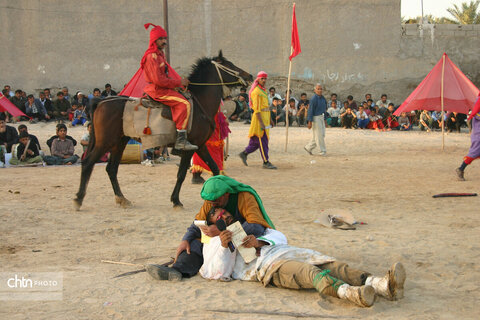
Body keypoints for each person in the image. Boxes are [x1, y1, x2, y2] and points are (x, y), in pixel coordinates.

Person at [200, 207, 406, 308]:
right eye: (218, 217)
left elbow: (280, 236)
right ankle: (351, 293)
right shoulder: (214, 243)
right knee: (311, 273)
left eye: (225, 213)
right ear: (212, 225)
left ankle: (380, 284)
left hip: (286, 252)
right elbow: (218, 273)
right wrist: (225, 245)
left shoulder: (253, 229)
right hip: (270, 266)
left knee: (333, 265)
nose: (224, 217)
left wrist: (259, 242)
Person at [146, 175, 275, 281]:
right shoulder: (211, 200)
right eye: (211, 202)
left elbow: (256, 226)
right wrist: (185, 240)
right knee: (194, 243)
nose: (213, 204)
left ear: (227, 194)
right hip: (219, 242)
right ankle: (177, 270)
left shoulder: (245, 197)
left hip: (244, 242)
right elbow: (198, 224)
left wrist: (223, 231)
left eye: (217, 201)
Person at [141, 23, 196, 151]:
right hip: (157, 90)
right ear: (154, 40)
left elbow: (164, 76)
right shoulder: (151, 56)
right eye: (161, 39)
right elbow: (159, 80)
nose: (164, 41)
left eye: (165, 38)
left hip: (163, 88)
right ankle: (181, 141)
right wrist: (178, 82)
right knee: (184, 104)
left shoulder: (160, 54)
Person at [238, 71, 277, 169]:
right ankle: (266, 161)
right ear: (258, 79)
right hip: (259, 121)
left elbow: (266, 107)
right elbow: (257, 110)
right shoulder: (256, 92)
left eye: (265, 79)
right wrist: (262, 123)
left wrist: (270, 120)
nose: (264, 80)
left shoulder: (263, 91)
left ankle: (244, 153)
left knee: (255, 142)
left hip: (265, 118)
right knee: (263, 142)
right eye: (262, 78)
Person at [191, 109, 230, 184]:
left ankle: (196, 174)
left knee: (203, 148)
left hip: (206, 121)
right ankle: (218, 173)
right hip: (209, 123)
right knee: (212, 148)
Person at [456, 98, 480, 181]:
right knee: (473, 153)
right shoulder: (478, 105)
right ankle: (461, 169)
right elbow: (476, 114)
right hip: (478, 135)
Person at [304, 84, 327, 156]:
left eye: (321, 89)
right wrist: (309, 122)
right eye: (318, 89)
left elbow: (325, 109)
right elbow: (310, 110)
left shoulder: (323, 98)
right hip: (316, 118)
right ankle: (322, 151)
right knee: (319, 135)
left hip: (321, 117)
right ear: (315, 90)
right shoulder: (313, 99)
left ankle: (308, 147)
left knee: (321, 135)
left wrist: (325, 120)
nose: (320, 90)